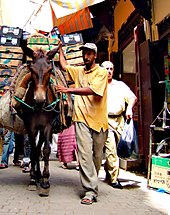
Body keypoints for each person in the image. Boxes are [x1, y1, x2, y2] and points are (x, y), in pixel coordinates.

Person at [56, 42, 108, 205]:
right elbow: (64, 66)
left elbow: (93, 91)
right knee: (84, 156)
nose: (86, 57)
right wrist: (60, 49)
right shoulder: (78, 71)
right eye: (84, 53)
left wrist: (68, 90)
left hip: (99, 121)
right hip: (81, 119)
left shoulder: (101, 72)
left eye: (89, 54)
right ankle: (90, 190)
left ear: (95, 56)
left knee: (97, 157)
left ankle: (92, 181)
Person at [101, 61, 137, 189]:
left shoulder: (120, 85)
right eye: (106, 69)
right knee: (111, 149)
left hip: (120, 121)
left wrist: (129, 109)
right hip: (106, 121)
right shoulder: (99, 85)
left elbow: (132, 97)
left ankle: (108, 171)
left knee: (117, 148)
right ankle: (114, 179)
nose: (109, 71)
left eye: (111, 69)